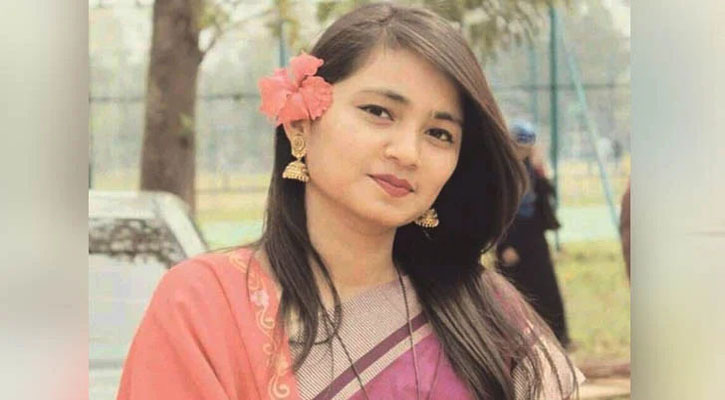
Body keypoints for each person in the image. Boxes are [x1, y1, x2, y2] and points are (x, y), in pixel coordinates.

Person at [116, 4, 583, 400]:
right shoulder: (206, 306)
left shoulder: (486, 312)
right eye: (378, 112)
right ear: (300, 124)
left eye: (439, 133)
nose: (407, 152)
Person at [496, 121, 572, 350]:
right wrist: (504, 245)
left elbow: (545, 203)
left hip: (533, 238)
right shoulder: (502, 172)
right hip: (511, 238)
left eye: (526, 148)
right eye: (518, 147)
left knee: (545, 288)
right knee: (509, 292)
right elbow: (497, 211)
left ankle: (556, 338)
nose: (522, 152)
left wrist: (540, 170)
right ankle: (510, 342)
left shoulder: (533, 170)